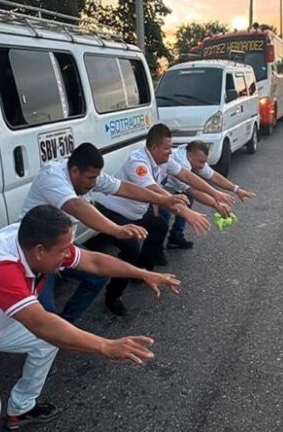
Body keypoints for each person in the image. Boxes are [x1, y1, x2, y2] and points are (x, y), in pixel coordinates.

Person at [0, 205, 180, 432]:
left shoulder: (36, 248)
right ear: (40, 250)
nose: (69, 254)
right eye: (64, 249)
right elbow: (41, 324)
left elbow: (95, 262)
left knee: (47, 342)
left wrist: (143, 273)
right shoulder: (1, 267)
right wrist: (105, 346)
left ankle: (21, 409)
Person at [19, 143, 206, 323]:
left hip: (61, 246)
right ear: (74, 171)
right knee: (44, 316)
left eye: (96, 179)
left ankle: (64, 327)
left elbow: (123, 187)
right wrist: (116, 230)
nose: (94, 184)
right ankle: (48, 334)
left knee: (96, 277)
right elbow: (77, 206)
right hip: (35, 250)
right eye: (90, 179)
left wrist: (164, 199)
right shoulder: (52, 177)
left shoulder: (88, 175)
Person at [96, 124, 235, 316]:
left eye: (171, 147)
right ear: (153, 148)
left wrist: (215, 195)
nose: (171, 151)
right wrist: (186, 212)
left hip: (136, 210)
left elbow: (187, 176)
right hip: (113, 211)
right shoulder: (138, 163)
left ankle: (143, 273)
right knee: (130, 248)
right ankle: (113, 297)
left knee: (160, 225)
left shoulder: (164, 160)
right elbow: (155, 192)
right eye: (167, 148)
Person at [161, 140, 257, 249]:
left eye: (204, 162)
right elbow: (193, 190)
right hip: (158, 188)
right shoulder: (181, 163)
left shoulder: (192, 156)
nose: (203, 166)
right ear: (190, 157)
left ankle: (175, 236)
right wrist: (216, 204)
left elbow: (214, 176)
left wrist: (236, 189)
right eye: (200, 162)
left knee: (186, 199)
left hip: (175, 187)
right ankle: (155, 249)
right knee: (163, 216)